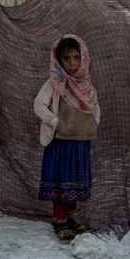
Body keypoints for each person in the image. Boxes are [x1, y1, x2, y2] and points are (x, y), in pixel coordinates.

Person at [33, 34, 100, 242]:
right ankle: (59, 220)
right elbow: (38, 105)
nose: (72, 63)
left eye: (76, 58)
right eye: (67, 58)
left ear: (84, 59)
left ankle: (69, 218)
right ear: (59, 60)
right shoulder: (55, 83)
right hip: (60, 142)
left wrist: (93, 123)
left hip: (80, 142)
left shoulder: (86, 84)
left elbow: (94, 108)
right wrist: (55, 122)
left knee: (76, 182)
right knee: (60, 182)